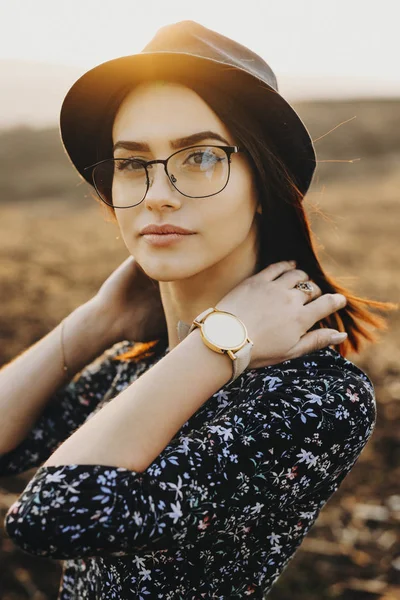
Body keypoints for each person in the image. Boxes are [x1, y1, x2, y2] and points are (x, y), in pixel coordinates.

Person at [0, 19, 394, 600]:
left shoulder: (314, 395)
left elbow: (56, 514)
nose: (158, 191)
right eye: (133, 163)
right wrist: (96, 322)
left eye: (201, 158)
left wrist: (219, 343)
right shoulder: (137, 364)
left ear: (265, 184)